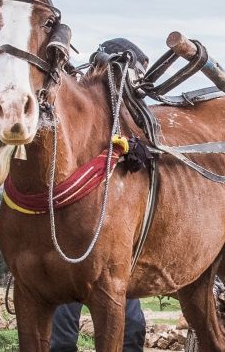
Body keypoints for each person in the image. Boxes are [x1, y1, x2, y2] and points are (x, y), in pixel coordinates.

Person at [48, 38, 150, 352]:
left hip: (115, 242)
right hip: (70, 240)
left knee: (130, 329)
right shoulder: (77, 108)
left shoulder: (133, 114)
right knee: (62, 337)